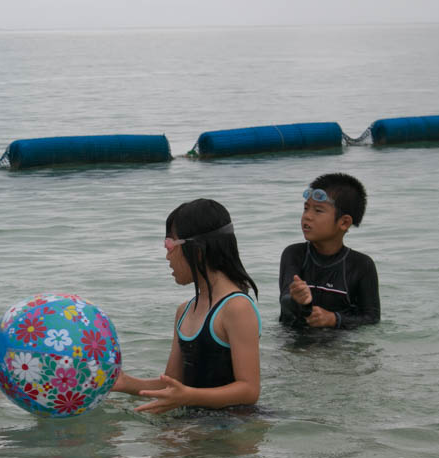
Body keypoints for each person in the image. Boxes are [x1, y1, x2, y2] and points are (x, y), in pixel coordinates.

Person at [113, 199, 261, 415]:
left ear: (198, 250)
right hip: (195, 419)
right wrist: (125, 383)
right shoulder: (184, 311)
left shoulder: (237, 307)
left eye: (170, 245)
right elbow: (172, 386)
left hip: (234, 424)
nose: (167, 256)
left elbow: (249, 390)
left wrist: (189, 396)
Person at [279, 173, 380, 329]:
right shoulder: (294, 254)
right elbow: (285, 300)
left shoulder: (361, 265)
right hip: (295, 343)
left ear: (344, 222)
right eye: (306, 208)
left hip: (337, 345)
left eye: (318, 211)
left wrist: (334, 319)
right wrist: (297, 299)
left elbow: (371, 318)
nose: (307, 216)